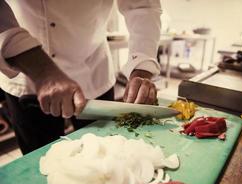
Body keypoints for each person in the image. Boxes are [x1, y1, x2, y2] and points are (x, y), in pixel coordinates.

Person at [0, 0, 161, 154]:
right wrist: (42, 71)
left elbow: (142, 6)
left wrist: (141, 67)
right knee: (38, 162)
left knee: (104, 155)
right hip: (27, 75)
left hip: (94, 72)